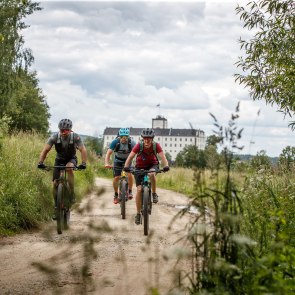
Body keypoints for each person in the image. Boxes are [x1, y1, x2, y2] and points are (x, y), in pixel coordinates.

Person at [37, 119, 87, 212]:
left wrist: (83, 163)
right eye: (62, 130)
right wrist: (40, 162)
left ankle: (71, 193)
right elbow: (45, 150)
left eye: (66, 130)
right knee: (55, 183)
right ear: (59, 129)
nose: (64, 132)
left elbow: (83, 150)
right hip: (59, 160)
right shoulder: (54, 137)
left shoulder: (75, 137)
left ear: (70, 130)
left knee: (69, 167)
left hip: (71, 159)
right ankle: (56, 205)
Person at [123, 128, 170, 225]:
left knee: (152, 174)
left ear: (152, 139)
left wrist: (166, 166)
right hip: (139, 167)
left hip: (152, 165)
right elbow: (130, 157)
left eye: (149, 139)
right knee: (139, 190)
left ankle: (153, 193)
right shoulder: (138, 146)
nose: (147, 141)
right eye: (145, 138)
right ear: (142, 138)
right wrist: (126, 167)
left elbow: (163, 157)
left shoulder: (156, 146)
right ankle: (138, 214)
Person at [104, 128, 136, 204]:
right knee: (116, 178)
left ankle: (130, 191)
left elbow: (137, 154)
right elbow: (108, 153)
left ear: (128, 137)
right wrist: (106, 163)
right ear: (119, 136)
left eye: (125, 137)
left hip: (128, 161)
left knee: (129, 174)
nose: (124, 139)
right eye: (122, 137)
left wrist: (137, 163)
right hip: (117, 161)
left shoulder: (132, 143)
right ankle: (116, 195)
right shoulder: (115, 142)